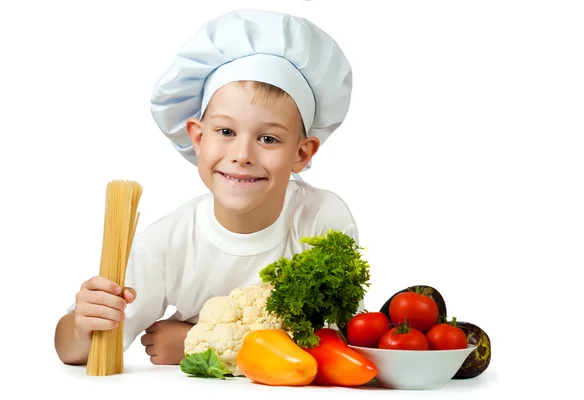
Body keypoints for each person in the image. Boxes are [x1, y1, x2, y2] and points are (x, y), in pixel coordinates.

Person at [54, 8, 360, 366]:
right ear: (197, 137)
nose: (242, 155)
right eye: (226, 132)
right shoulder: (167, 242)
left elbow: (344, 345)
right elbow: (78, 353)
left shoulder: (321, 219)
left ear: (302, 153)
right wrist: (83, 326)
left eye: (268, 138)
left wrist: (198, 342)